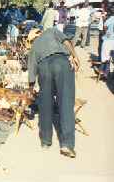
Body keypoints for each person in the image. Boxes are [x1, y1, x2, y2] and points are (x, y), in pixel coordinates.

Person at [27, 27, 80, 158]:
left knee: (45, 105)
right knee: (66, 103)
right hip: (61, 63)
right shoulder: (51, 31)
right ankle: (66, 144)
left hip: (43, 68)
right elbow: (66, 42)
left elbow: (31, 73)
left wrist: (31, 89)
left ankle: (45, 141)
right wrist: (75, 56)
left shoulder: (33, 47)